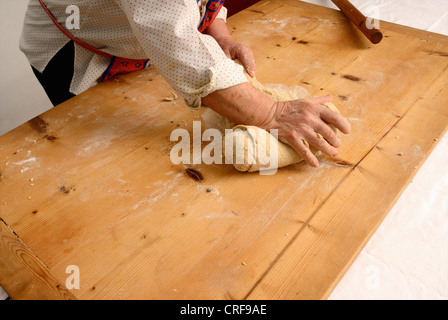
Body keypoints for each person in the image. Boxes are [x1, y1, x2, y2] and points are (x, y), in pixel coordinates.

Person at [20, 0, 350, 167]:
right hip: (77, 50)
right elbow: (169, 32)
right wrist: (271, 113)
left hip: (141, 35)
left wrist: (217, 31)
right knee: (101, 161)